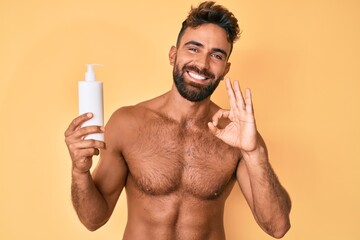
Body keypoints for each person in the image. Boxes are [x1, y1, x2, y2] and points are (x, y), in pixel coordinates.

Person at [64, 1, 291, 239]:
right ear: (173, 55)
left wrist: (254, 152)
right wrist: (80, 172)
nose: (202, 64)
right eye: (194, 48)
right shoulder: (127, 124)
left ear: (225, 69)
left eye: (216, 55)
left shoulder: (239, 135)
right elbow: (93, 220)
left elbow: (277, 227)